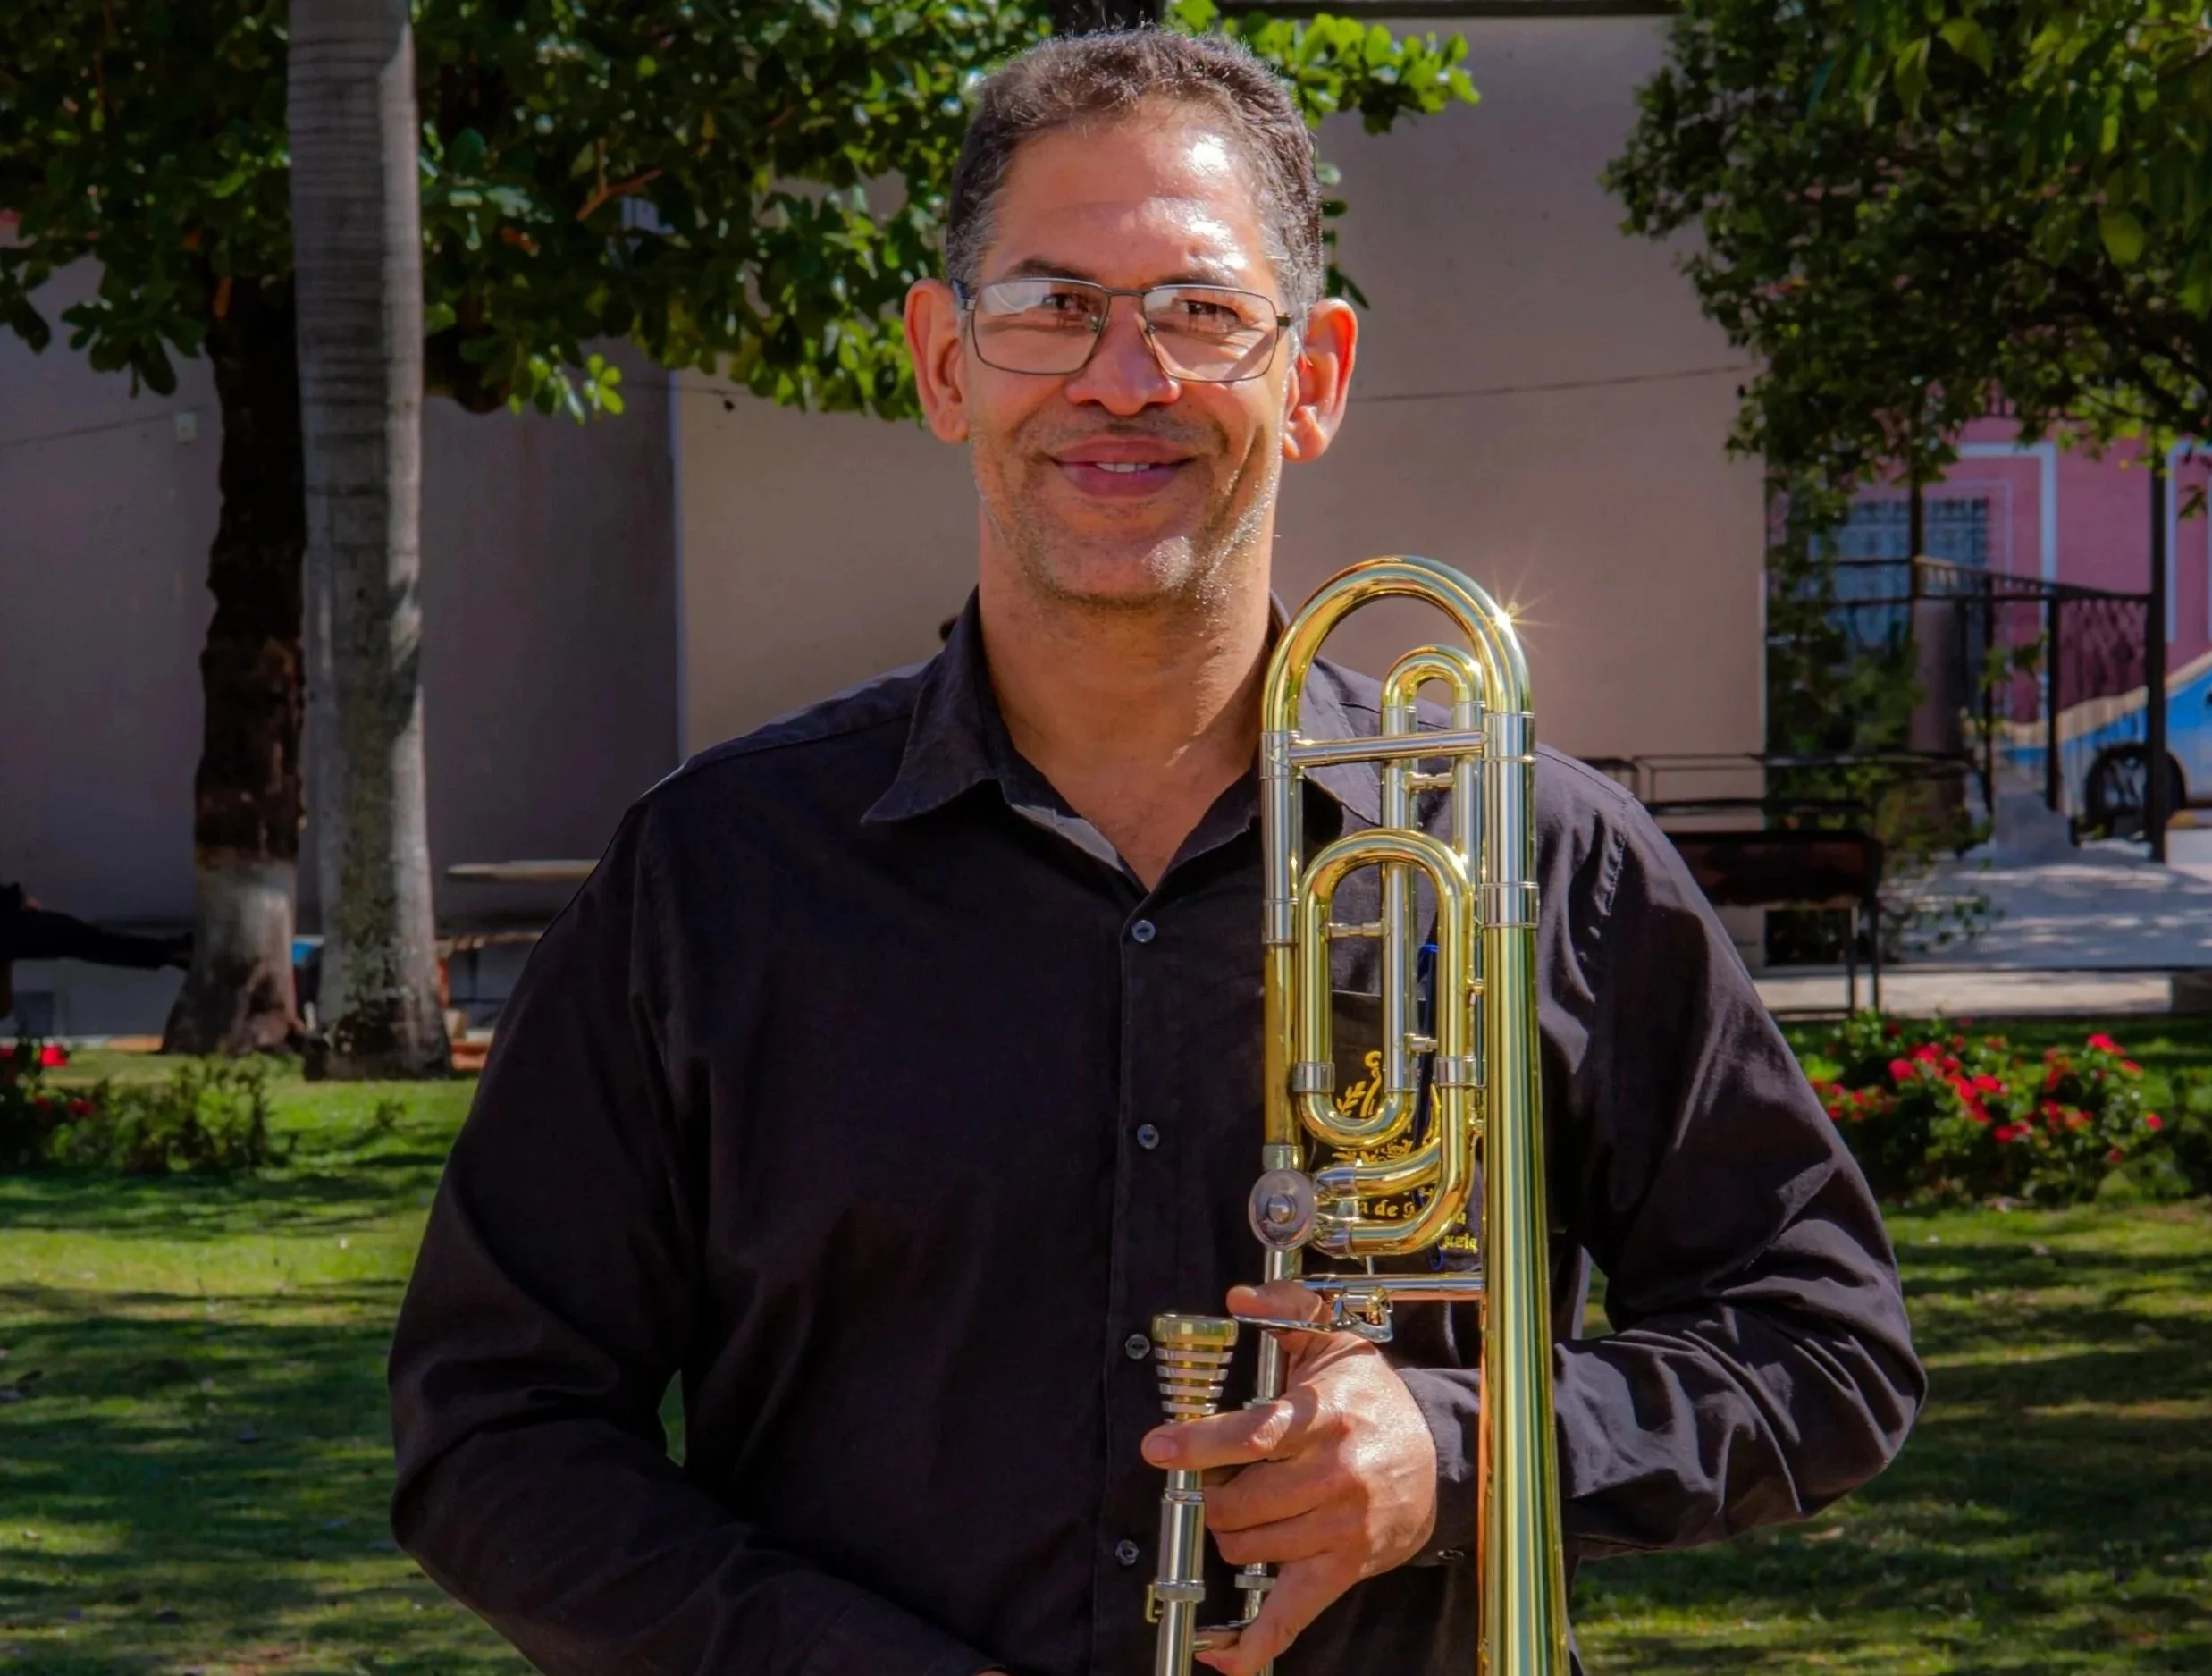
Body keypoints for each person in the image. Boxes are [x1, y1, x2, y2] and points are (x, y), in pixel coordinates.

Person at [388, 28, 1922, 1676]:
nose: (1125, 380)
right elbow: (498, 1429)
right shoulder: (716, 876)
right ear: (943, 362)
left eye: (1200, 312)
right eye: (1052, 308)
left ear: (1313, 375)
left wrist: (1459, 1446)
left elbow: (1825, 1348)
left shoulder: (1537, 857)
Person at [0, 881, 191, 1025]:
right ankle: (171, 953)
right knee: (90, 942)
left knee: (91, 943)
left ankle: (171, 953)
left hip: (17, 931)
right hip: (17, 931)